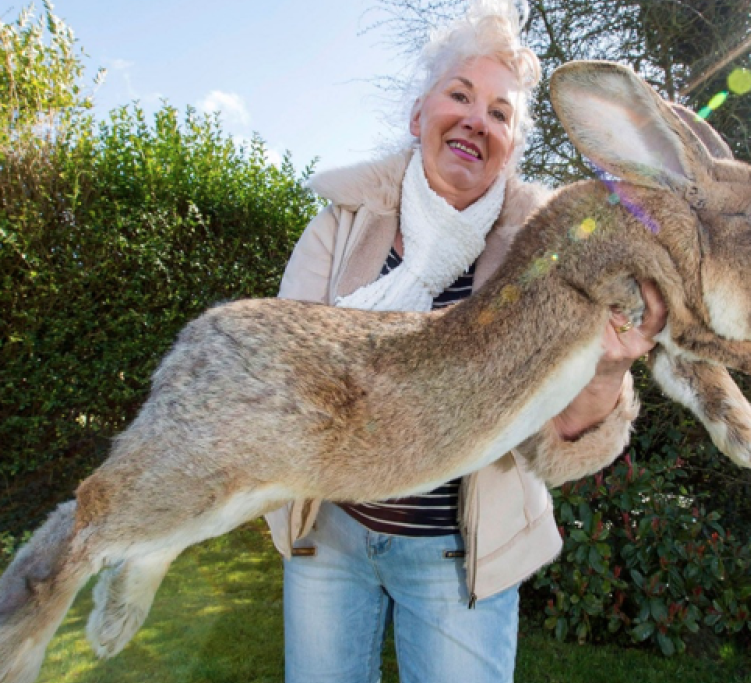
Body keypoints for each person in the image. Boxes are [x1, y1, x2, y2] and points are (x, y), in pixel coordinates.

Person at [264, 1, 666, 681]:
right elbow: (280, 373)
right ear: (419, 116)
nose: (478, 119)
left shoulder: (550, 256)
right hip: (330, 539)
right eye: (460, 95)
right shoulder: (339, 225)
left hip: (460, 558)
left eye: (501, 113)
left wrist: (605, 369)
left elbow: (558, 439)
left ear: (511, 148)